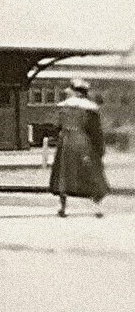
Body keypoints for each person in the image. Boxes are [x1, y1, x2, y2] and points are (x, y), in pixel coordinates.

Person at [50, 78, 109, 218]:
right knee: (91, 172)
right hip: (83, 142)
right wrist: (100, 149)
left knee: (63, 174)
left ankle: (63, 208)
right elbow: (96, 132)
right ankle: (97, 207)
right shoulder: (91, 109)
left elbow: (56, 126)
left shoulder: (63, 107)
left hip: (65, 142)